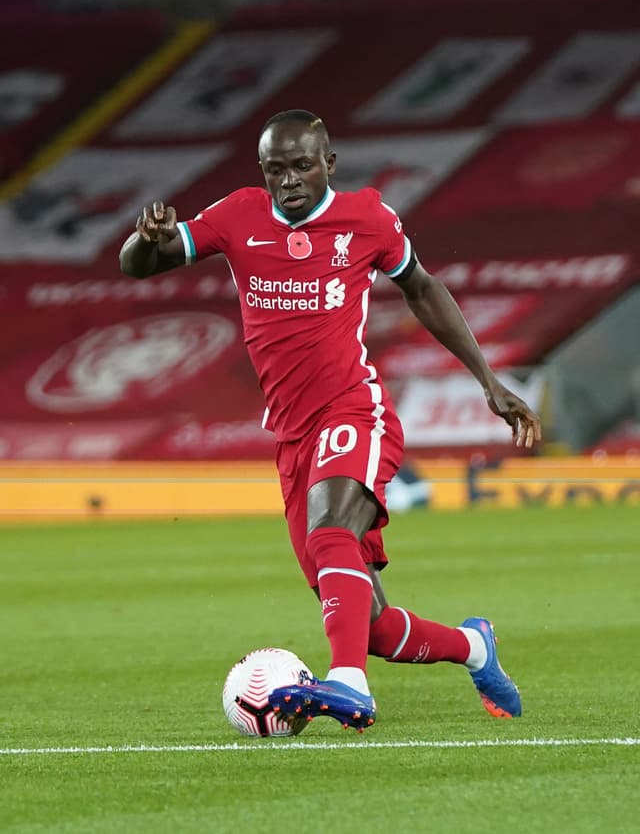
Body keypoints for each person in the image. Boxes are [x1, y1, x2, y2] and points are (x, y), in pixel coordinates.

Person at [120, 109, 540, 731]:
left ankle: (349, 687)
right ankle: (475, 645)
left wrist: (488, 381)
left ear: (329, 164)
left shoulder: (367, 218)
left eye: (301, 166)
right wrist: (145, 238)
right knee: (368, 624)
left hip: (354, 409)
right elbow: (138, 266)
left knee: (329, 530)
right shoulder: (237, 215)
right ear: (260, 173)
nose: (288, 181)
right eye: (274, 170)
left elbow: (422, 289)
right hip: (291, 436)